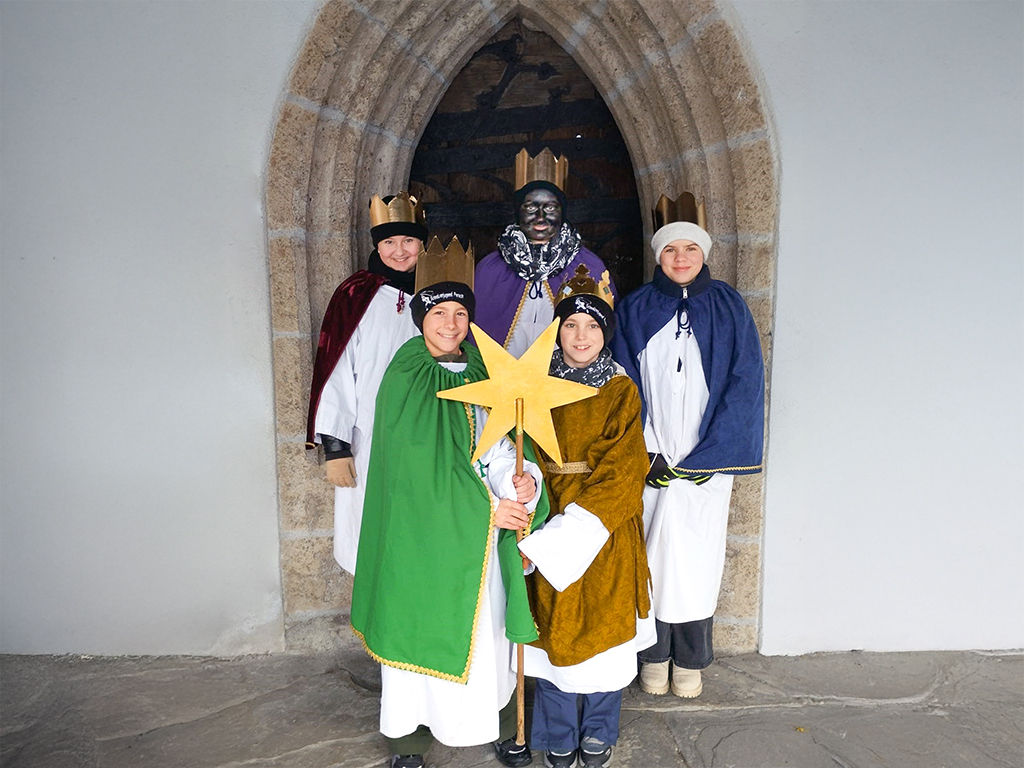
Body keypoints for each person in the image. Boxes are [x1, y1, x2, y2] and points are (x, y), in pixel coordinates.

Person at [349, 243, 549, 768]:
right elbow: (415, 474)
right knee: (418, 632)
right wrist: (488, 510)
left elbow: (500, 444)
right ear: (421, 318)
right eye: (439, 312)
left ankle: (499, 724)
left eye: (461, 312)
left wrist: (518, 484)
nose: (452, 323)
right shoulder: (406, 373)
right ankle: (409, 741)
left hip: (479, 542)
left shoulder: (485, 368)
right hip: (424, 541)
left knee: (486, 636)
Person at [612, 206, 764, 699]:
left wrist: (713, 456)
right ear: (659, 256)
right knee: (651, 558)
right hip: (651, 459)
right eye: (671, 249)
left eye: (690, 248)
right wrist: (644, 450)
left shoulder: (728, 306)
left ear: (704, 254)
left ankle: (691, 660)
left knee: (696, 561)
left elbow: (745, 383)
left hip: (706, 461)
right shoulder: (635, 308)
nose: (681, 258)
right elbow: (620, 381)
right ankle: (653, 657)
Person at [517, 265, 654, 768]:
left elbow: (624, 468)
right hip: (548, 509)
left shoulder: (620, 390)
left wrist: (578, 526)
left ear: (605, 334)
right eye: (571, 325)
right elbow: (520, 448)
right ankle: (556, 729)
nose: (581, 336)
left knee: (604, 626)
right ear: (558, 331)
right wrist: (528, 488)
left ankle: (598, 727)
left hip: (603, 527)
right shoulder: (533, 387)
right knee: (552, 626)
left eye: (593, 326)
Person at [305, 192, 426, 575]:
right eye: (389, 242)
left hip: (427, 432)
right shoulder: (357, 294)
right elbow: (336, 370)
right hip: (368, 435)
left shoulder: (441, 293)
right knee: (371, 534)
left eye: (408, 240)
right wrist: (336, 448)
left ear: (423, 243)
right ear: (377, 245)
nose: (400, 251)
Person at [475, 148, 615, 357]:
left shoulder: (588, 266)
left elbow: (605, 331)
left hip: (565, 381)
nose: (540, 217)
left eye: (550, 208)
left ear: (562, 213)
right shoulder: (491, 268)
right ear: (518, 212)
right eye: (530, 208)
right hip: (503, 380)